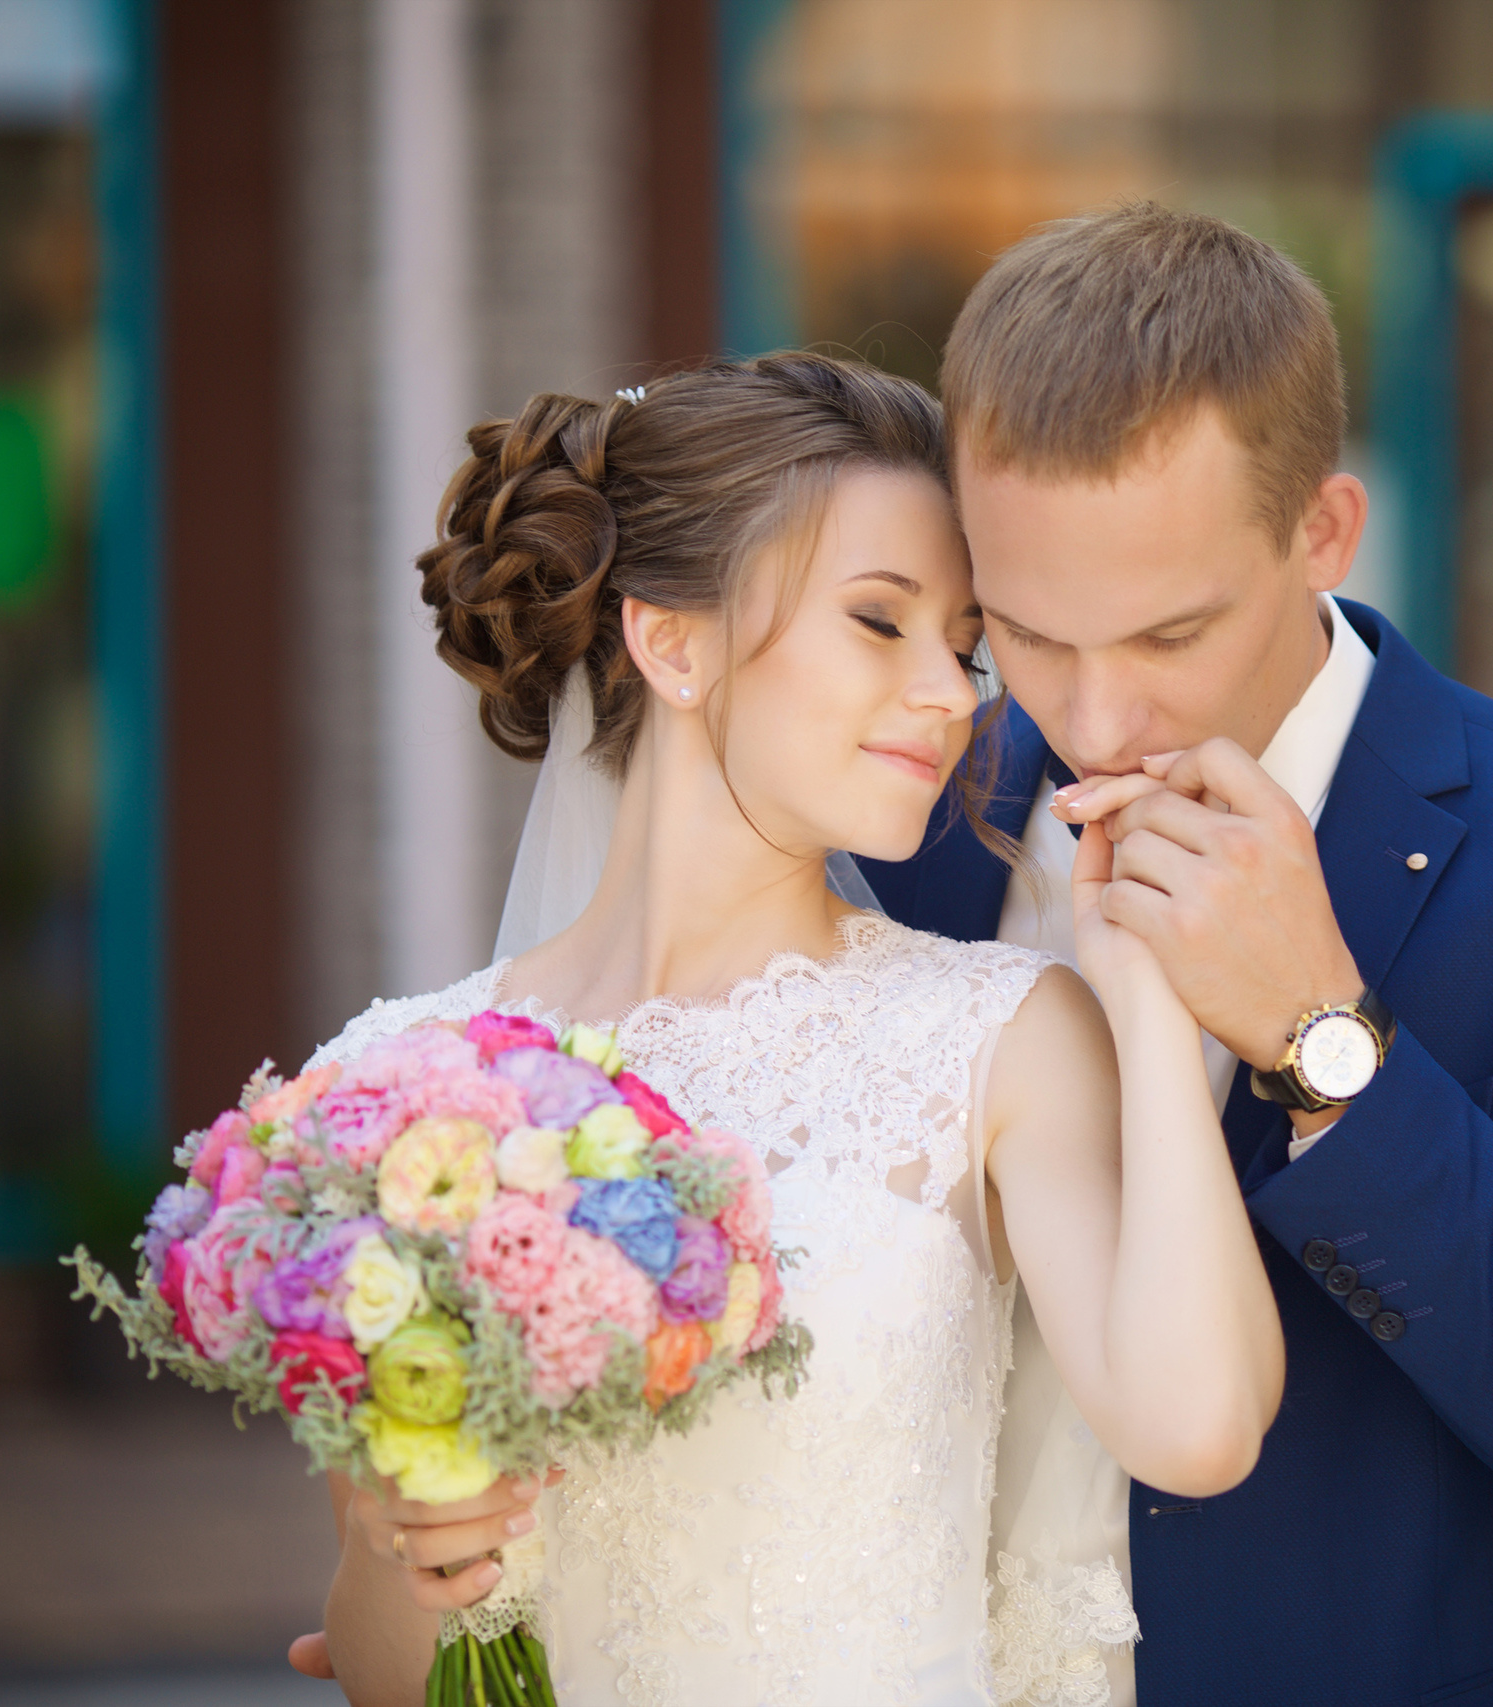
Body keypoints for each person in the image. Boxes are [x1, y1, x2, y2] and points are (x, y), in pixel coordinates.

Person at [847, 203, 1493, 1705]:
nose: (1089, 722)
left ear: (1323, 533)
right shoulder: (902, 834)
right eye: (1020, 632)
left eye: (1167, 637)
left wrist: (1324, 1038)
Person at [306, 351, 1284, 1706]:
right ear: (672, 641)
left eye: (963, 644)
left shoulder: (999, 1036)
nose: (955, 696)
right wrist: (389, 1534)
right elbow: (392, 1677)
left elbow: (1199, 1429)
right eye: (881, 622)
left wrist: (1147, 1001)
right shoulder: (395, 1090)